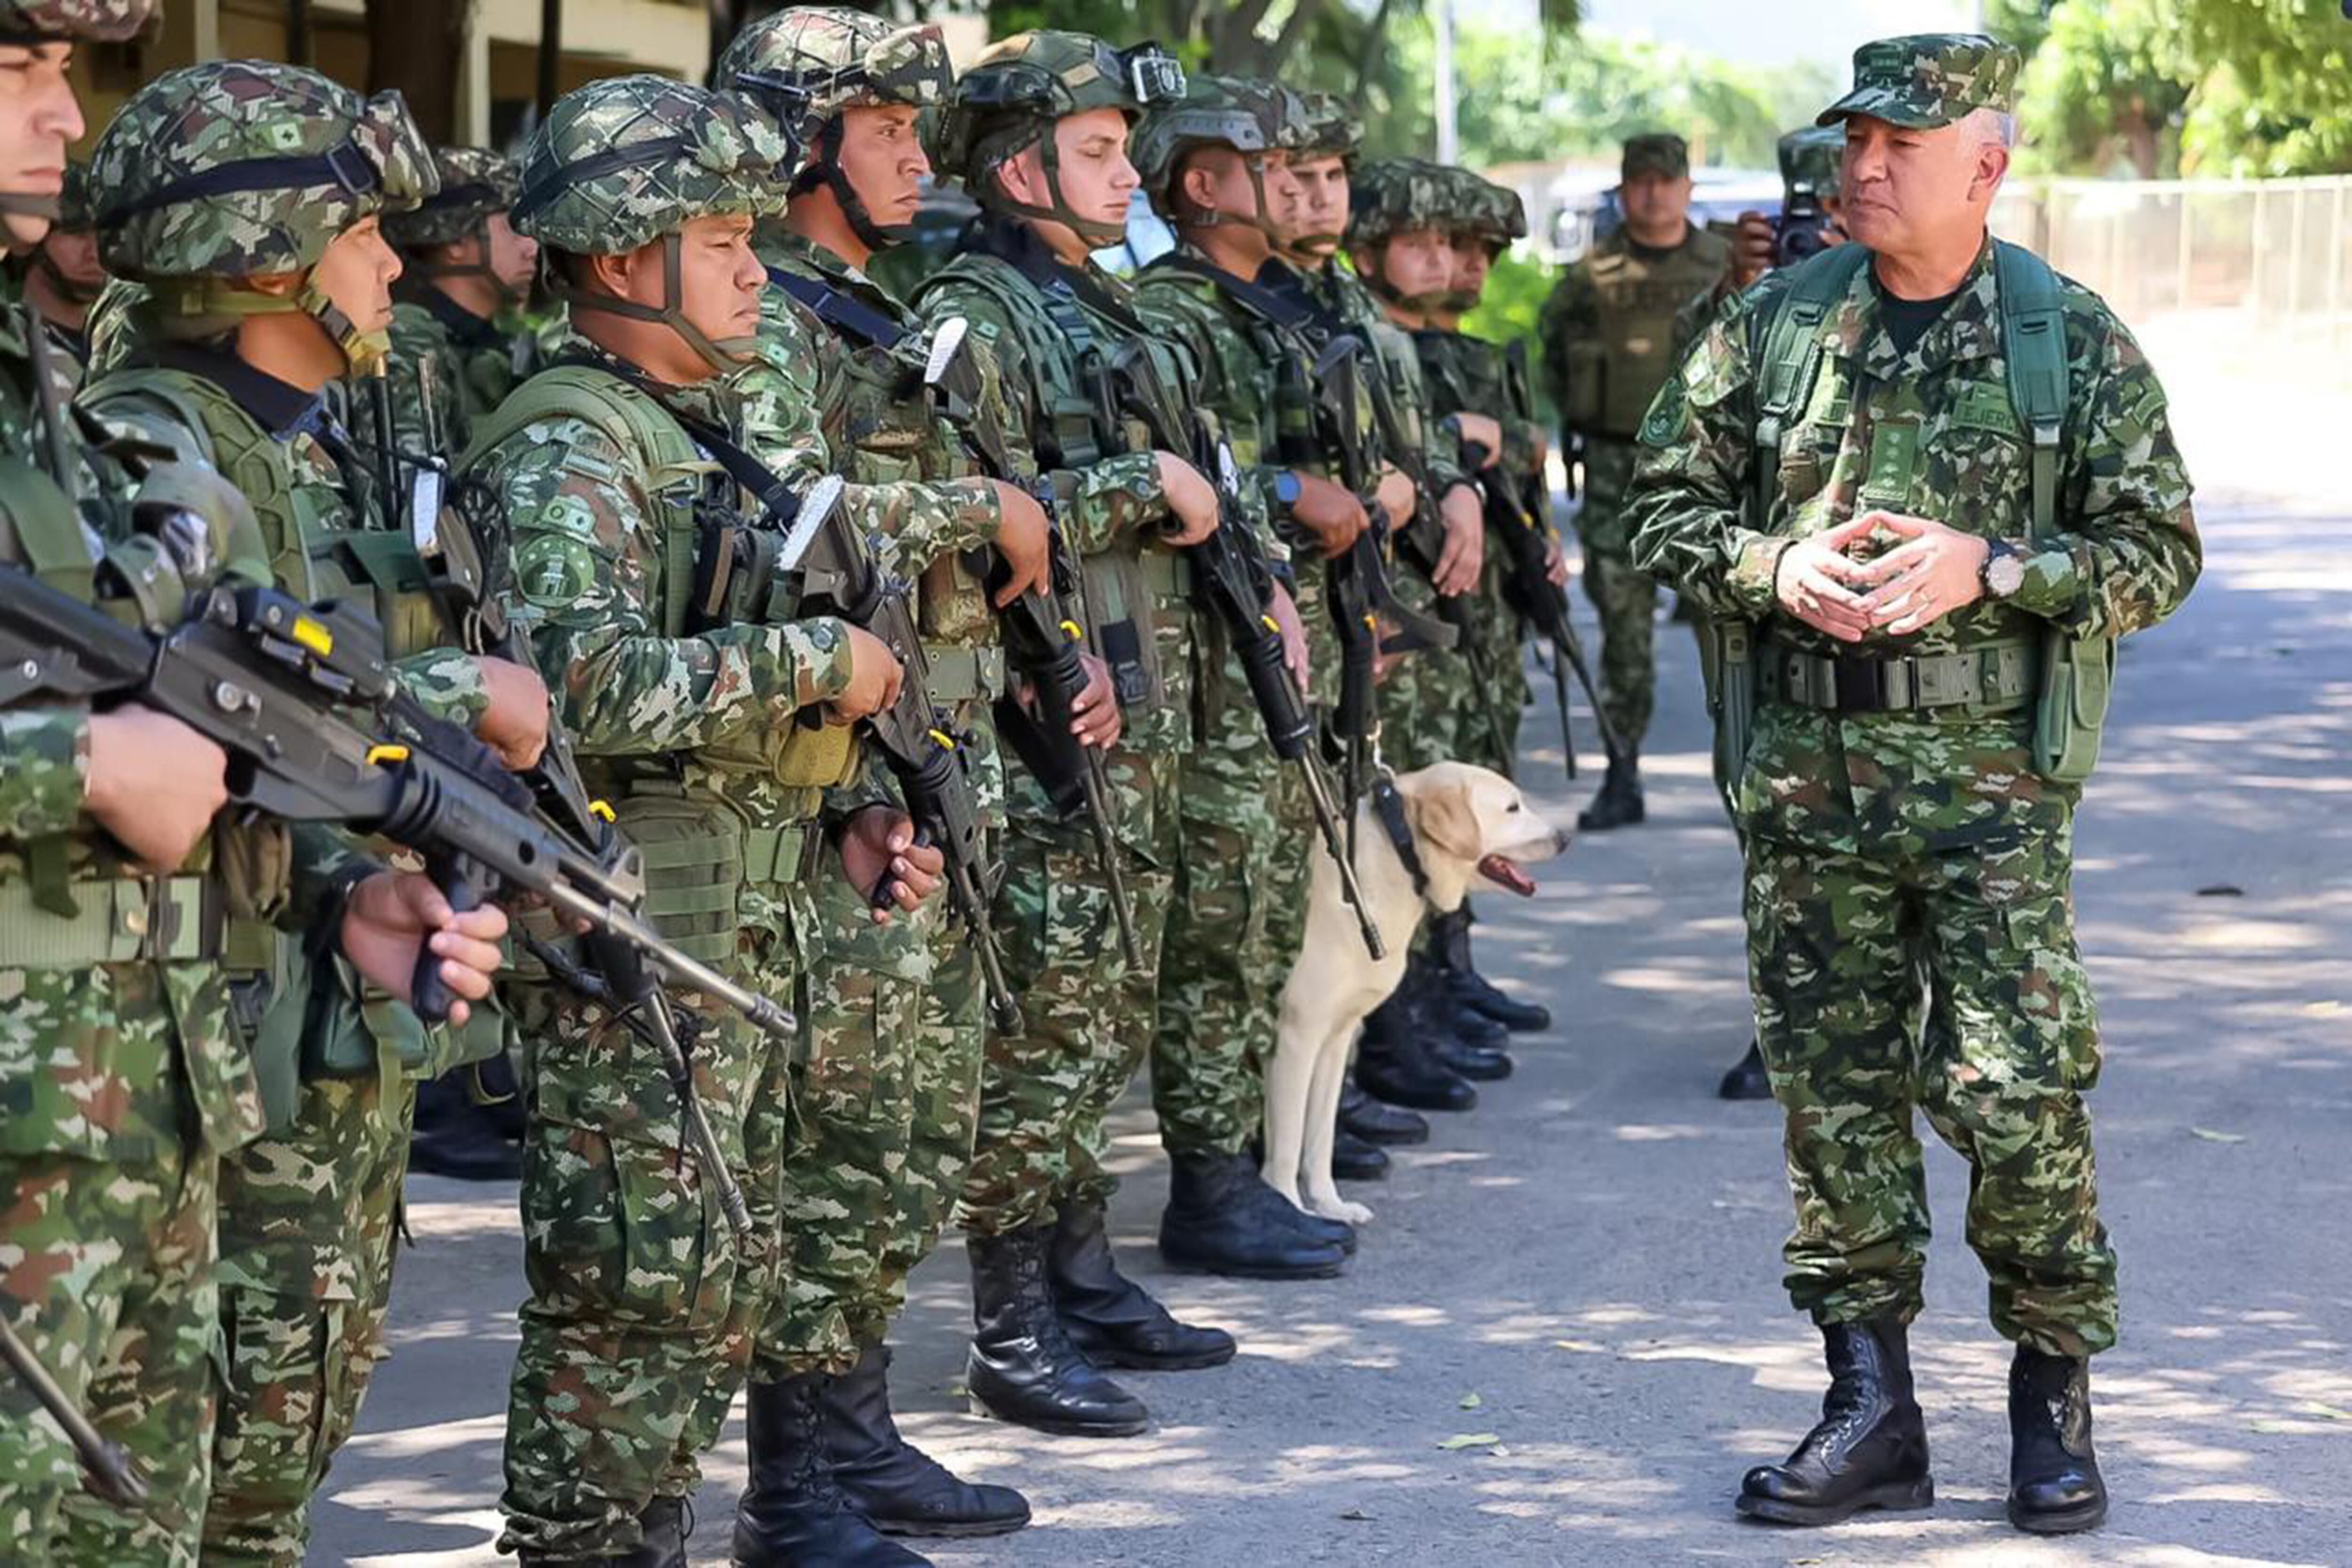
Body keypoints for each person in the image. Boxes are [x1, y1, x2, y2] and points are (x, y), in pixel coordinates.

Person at [1628, 34, 2201, 1535]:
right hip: (1808, 785)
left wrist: (1994, 566)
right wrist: (1769, 562)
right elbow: (1655, 504)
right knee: (1834, 1101)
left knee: (2017, 1099)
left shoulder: (2062, 337)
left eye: (1898, 145)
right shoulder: (1768, 325)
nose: (1862, 169)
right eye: (1851, 143)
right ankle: (1868, 1403)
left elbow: (2158, 551)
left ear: (1984, 166)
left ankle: (2049, 1398)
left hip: (1991, 797)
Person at [0, 12, 508, 1562]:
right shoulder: (145, 414)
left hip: (132, 1114)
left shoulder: (51, 402)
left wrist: (343, 898)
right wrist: (73, 765)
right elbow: (99, 736)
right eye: (19, 73)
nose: (66, 122)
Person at [459, 73, 910, 1565]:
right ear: (615, 260)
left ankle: (649, 1531)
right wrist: (816, 663)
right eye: (717, 240)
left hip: (733, 908)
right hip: (626, 933)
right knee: (629, 1289)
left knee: (715, 1278)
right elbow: (570, 684)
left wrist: (834, 798)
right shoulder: (568, 441)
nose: (750, 267)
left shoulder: (679, 427)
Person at [715, 8, 1076, 1554]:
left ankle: (853, 1439)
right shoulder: (763, 315)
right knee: (838, 1129)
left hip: (901, 744)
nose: (920, 157)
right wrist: (981, 505)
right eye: (885, 128)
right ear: (806, 141)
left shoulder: (859, 304)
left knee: (899, 1127)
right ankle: (793, 1485)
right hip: (809, 774)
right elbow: (799, 526)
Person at [913, 29, 1240, 1440]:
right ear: (1020, 164)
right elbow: (972, 506)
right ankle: (1011, 1317)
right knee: (1039, 1027)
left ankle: (1082, 1268)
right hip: (1053, 712)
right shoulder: (974, 309)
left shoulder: (1101, 304)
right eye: (1097, 151)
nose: (1127, 174)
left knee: (1100, 1011)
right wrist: (1138, 482)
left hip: (1137, 704)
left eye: (1121, 148)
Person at [1126, 72, 1377, 1281]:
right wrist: (1286, 494)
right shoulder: (1172, 313)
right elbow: (1163, 471)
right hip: (1216, 671)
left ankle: (1249, 1168)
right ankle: (1208, 1184)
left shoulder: (1268, 303)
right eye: (1267, 163)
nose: (1295, 183)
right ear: (1201, 183)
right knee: (1219, 931)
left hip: (1283, 650)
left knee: (1268, 915)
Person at [1539, 132, 1732, 834]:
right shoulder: (1592, 273)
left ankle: (1747, 773)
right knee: (1623, 626)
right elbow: (1554, 355)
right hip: (1621, 467)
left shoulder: (1725, 266)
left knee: (1732, 627)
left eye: (1665, 181)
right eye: (1639, 182)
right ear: (1624, 189)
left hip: (1713, 467)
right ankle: (1622, 774)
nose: (1652, 194)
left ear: (1686, 188)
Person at [10, 159, 101, 398]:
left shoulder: (121, 342)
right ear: (31, 241)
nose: (95, 252)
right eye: (76, 234)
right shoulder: (12, 345)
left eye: (104, 234)